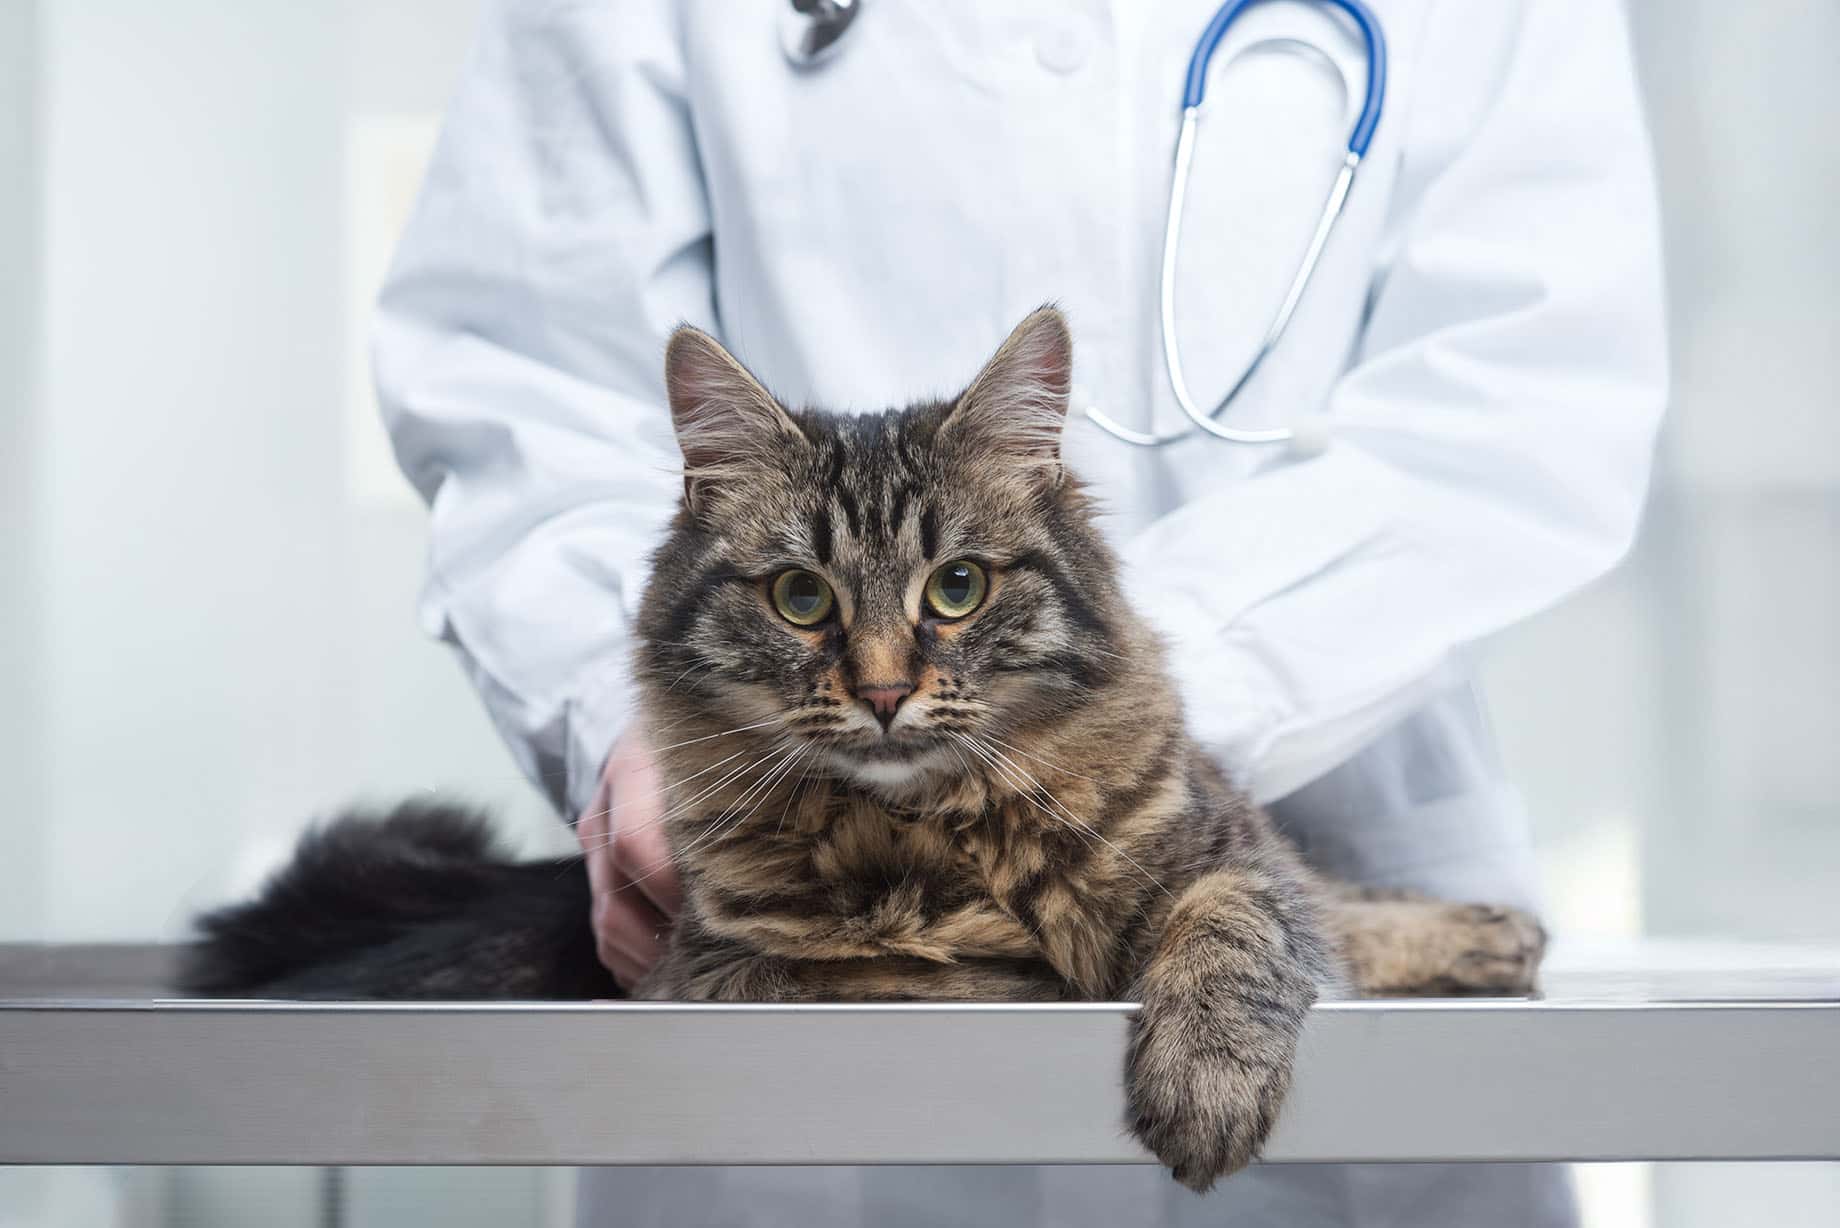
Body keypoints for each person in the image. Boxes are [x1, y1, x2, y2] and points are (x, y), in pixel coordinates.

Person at [374, 1, 1665, 1224]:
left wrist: (1119, 729)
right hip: (788, 925)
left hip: (1332, 848)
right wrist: (631, 732)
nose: (884, 674)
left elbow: (1525, 400)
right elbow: (523, 383)